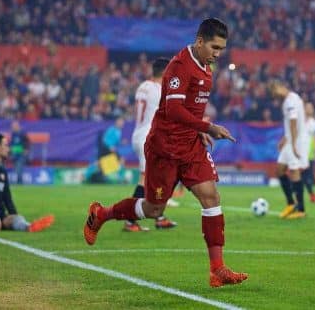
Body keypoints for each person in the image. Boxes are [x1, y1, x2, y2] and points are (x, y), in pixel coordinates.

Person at [83, 18, 248, 288]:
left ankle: (217, 268)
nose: (218, 54)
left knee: (211, 196)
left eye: (222, 49)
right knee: (153, 208)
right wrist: (208, 126)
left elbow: (190, 109)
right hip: (164, 148)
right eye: (215, 48)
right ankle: (101, 214)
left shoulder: (206, 67)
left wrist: (198, 130)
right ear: (199, 41)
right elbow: (172, 110)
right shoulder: (179, 67)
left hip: (191, 146)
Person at [125, 57, 178, 232]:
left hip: (138, 134)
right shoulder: (159, 90)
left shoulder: (142, 87)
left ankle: (159, 217)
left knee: (159, 178)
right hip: (150, 138)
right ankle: (130, 221)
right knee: (145, 180)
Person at [269, 80, 309, 219]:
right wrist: (285, 140)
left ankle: (301, 210)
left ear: (279, 87)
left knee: (294, 171)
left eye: (274, 93)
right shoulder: (290, 99)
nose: (274, 97)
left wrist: (293, 144)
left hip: (296, 140)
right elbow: (290, 124)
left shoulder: (290, 101)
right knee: (280, 169)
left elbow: (293, 123)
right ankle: (291, 204)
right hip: (291, 139)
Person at [301, 102, 315, 203]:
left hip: (309, 152)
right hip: (300, 151)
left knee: (307, 174)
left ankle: (311, 195)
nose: (310, 109)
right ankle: (310, 195)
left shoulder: (313, 122)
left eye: (311, 107)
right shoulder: (299, 121)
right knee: (302, 173)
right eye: (308, 107)